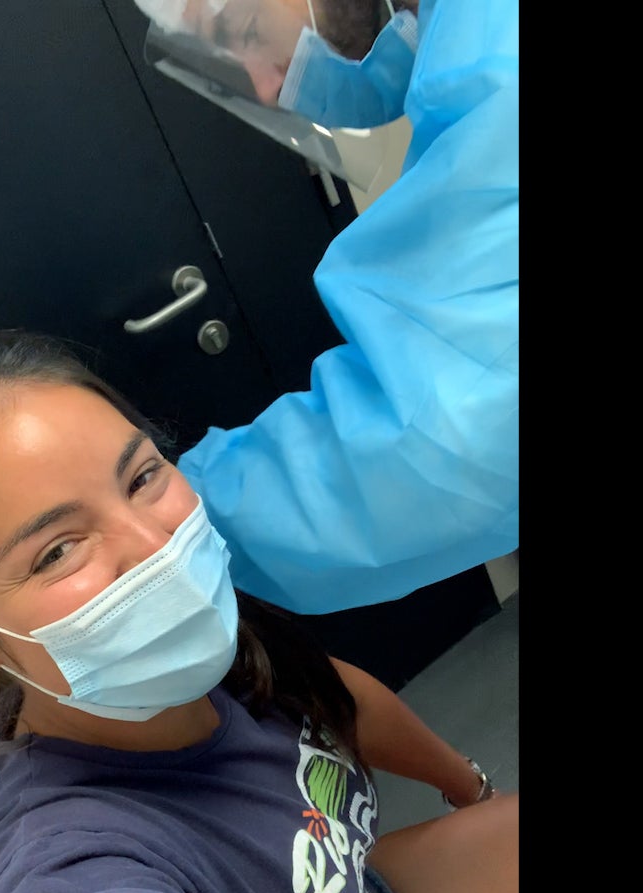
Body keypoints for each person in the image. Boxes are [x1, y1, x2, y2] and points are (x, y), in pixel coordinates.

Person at [0, 330, 520, 893]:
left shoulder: (210, 653)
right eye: (57, 550)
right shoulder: (63, 870)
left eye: (141, 477)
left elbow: (336, 698)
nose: (155, 548)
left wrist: (469, 789)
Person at [132, 0, 520, 616]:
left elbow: (463, 430)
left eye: (246, 32)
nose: (267, 85)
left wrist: (167, 525)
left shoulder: (497, 63)